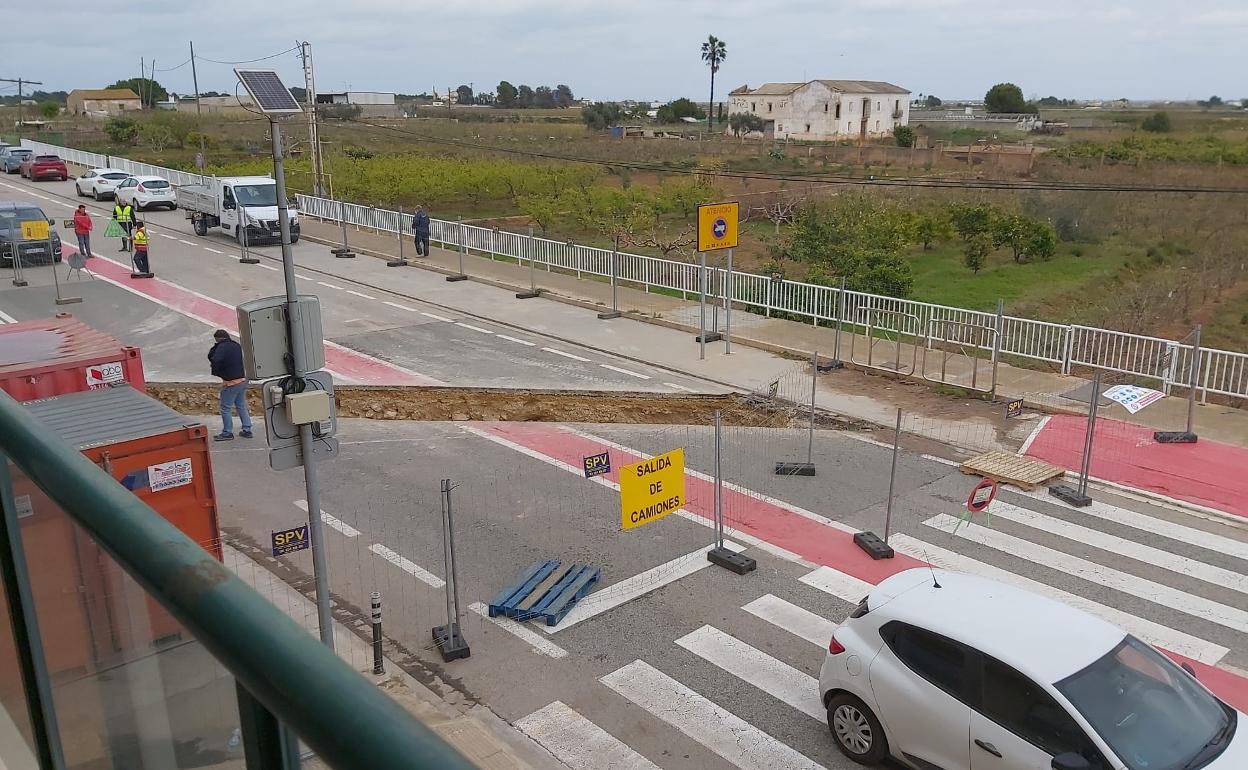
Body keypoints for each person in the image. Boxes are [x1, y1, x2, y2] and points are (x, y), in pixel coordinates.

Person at [208, 330, 252, 441]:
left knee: (225, 408)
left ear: (218, 338)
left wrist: (216, 371)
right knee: (241, 405)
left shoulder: (222, 347)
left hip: (231, 382)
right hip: (242, 379)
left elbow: (214, 358)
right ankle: (247, 430)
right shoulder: (236, 345)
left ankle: (227, 432)